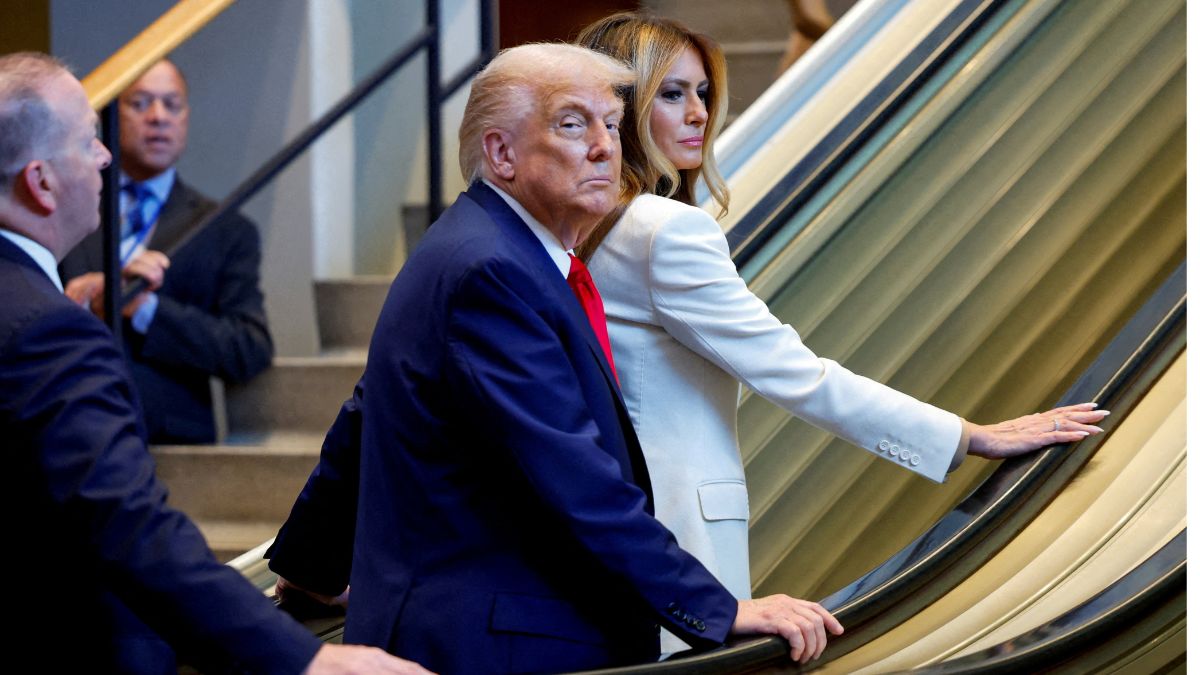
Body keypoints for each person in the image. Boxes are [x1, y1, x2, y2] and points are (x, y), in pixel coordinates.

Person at [267, 43, 845, 673]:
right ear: (501, 153)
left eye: (612, 124)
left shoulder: (488, 249)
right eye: (573, 124)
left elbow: (366, 416)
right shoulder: (491, 271)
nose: (606, 147)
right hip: (502, 646)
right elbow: (574, 476)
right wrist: (718, 607)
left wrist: (309, 566)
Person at [574, 12, 1109, 654]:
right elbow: (796, 373)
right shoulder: (664, 230)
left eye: (703, 93)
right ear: (620, 106)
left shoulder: (585, 223)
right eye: (672, 93)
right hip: (679, 524)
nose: (698, 114)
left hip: (619, 523)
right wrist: (967, 436)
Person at [0, 51, 432, 675]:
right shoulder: (47, 329)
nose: (102, 158)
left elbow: (243, 344)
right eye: (89, 140)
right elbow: (132, 534)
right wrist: (308, 662)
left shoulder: (218, 228)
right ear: (40, 183)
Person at [59, 58, 272, 444]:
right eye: (140, 103)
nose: (158, 117)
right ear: (110, 114)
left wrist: (143, 309)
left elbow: (248, 348)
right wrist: (91, 298)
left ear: (186, 117)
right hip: (68, 427)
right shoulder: (64, 207)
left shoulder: (225, 228)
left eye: (171, 105)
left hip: (173, 443)